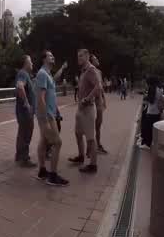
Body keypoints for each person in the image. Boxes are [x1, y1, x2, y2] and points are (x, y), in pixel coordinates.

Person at [34, 50, 69, 187]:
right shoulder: (42, 74)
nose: (53, 56)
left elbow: (54, 82)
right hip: (47, 115)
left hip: (49, 114)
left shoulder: (47, 74)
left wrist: (62, 68)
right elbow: (40, 98)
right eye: (50, 55)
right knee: (57, 143)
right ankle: (52, 176)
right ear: (44, 59)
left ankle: (42, 171)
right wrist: (47, 118)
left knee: (43, 141)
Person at [69, 49, 105, 173]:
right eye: (77, 56)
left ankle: (93, 165)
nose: (79, 58)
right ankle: (80, 156)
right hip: (80, 109)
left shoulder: (90, 70)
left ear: (87, 56)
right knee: (78, 133)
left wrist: (87, 99)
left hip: (88, 108)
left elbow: (99, 86)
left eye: (81, 56)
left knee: (90, 138)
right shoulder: (83, 71)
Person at [14, 55, 37, 167]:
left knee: (22, 133)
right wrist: (27, 103)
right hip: (25, 112)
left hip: (23, 111)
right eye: (30, 61)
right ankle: (24, 158)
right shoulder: (23, 73)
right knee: (26, 134)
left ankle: (19, 156)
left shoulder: (26, 74)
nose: (32, 63)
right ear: (25, 63)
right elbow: (19, 86)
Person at [138, 76, 164, 149]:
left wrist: (146, 96)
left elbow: (151, 100)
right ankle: (150, 142)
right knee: (152, 128)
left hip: (151, 111)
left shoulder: (152, 88)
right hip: (157, 111)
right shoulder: (160, 88)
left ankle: (147, 144)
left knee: (148, 128)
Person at [90, 54, 108, 155]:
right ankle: (91, 147)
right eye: (95, 59)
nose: (97, 60)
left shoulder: (99, 72)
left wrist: (104, 99)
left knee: (98, 125)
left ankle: (98, 144)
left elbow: (101, 87)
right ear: (92, 62)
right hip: (93, 101)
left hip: (99, 100)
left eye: (97, 58)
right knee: (92, 125)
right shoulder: (91, 71)